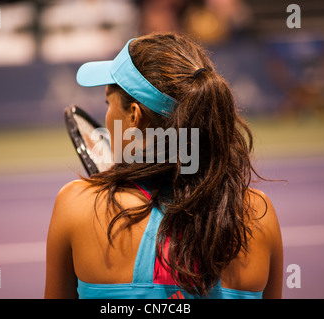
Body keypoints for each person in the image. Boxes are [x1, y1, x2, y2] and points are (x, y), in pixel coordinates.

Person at [44, 32, 283, 299]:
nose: (106, 118)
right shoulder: (259, 216)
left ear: (134, 115)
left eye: (107, 104)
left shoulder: (76, 204)